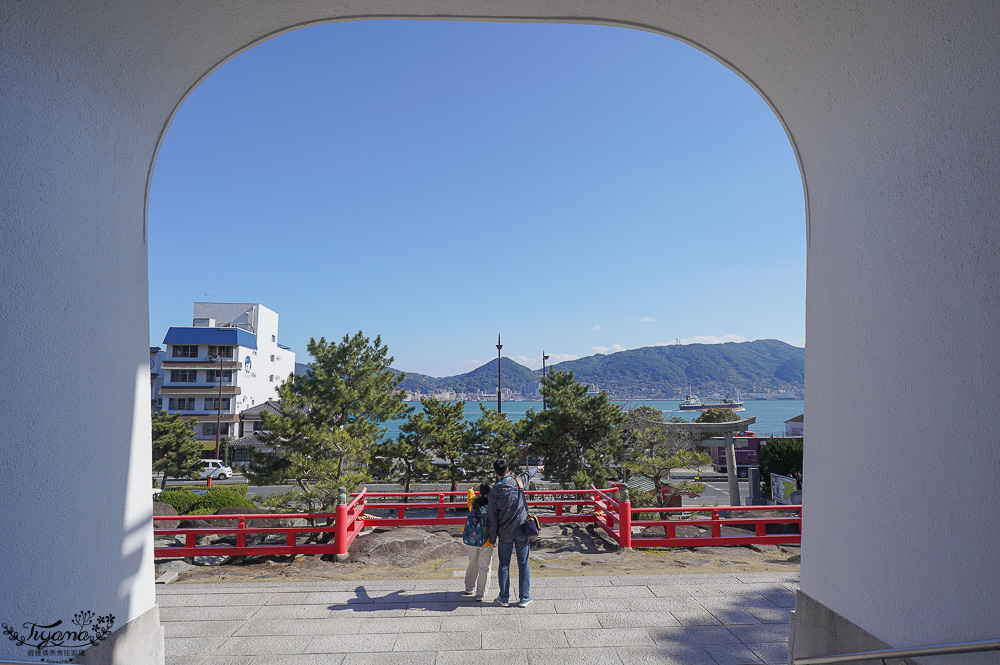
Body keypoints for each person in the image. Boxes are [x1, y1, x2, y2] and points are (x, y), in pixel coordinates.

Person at [487, 458, 544, 608]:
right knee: (523, 563)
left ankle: (504, 598)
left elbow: (492, 518)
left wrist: (492, 537)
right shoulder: (517, 482)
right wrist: (538, 468)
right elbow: (527, 474)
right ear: (507, 470)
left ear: (495, 473)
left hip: (504, 534)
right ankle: (524, 597)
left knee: (504, 565)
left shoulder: (493, 492)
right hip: (521, 530)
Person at [462, 482, 493, 601]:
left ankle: (469, 587)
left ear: (479, 492)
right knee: (484, 567)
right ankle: (480, 593)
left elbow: (469, 494)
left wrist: (470, 490)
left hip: (472, 538)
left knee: (472, 563)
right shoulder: (492, 505)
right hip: (486, 540)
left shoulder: (474, 502)